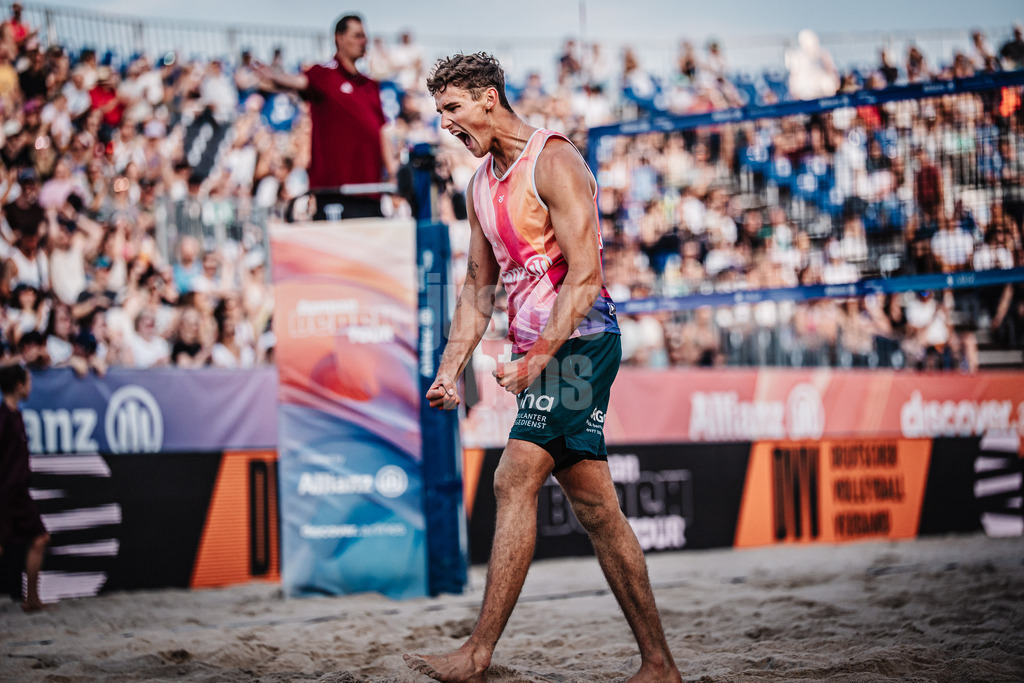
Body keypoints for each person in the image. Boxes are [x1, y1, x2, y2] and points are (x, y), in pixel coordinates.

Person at [404, 52, 681, 683]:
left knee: (513, 476)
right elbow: (478, 287)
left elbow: (584, 278)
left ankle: (476, 653)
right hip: (545, 354)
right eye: (440, 110)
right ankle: (659, 663)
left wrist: (537, 358)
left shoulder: (553, 160)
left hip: (581, 342)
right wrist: (450, 368)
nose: (445, 123)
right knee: (597, 510)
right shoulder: (479, 185)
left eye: (453, 108)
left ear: (490, 99)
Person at [254, 14, 395, 220]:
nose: (363, 41)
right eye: (357, 36)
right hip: (335, 193)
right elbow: (296, 82)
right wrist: (273, 75)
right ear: (339, 38)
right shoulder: (323, 75)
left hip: (370, 192)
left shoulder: (370, 85)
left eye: (364, 36)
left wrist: (392, 172)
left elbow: (380, 131)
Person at [0, 362, 50, 612]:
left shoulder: (16, 415)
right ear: (19, 386)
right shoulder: (4, 419)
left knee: (39, 538)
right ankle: (31, 599)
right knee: (38, 538)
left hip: (17, 493)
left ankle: (32, 599)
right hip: (8, 494)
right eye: (28, 382)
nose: (31, 387)